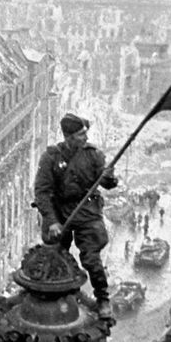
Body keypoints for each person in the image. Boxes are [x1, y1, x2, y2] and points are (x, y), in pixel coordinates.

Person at [33, 112, 118, 319]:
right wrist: (51, 221)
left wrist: (109, 177)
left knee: (91, 259)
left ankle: (102, 298)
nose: (85, 138)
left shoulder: (93, 155)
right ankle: (60, 297)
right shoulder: (52, 157)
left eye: (85, 134)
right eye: (80, 135)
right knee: (55, 255)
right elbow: (42, 191)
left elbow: (108, 183)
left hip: (86, 211)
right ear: (69, 137)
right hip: (59, 212)